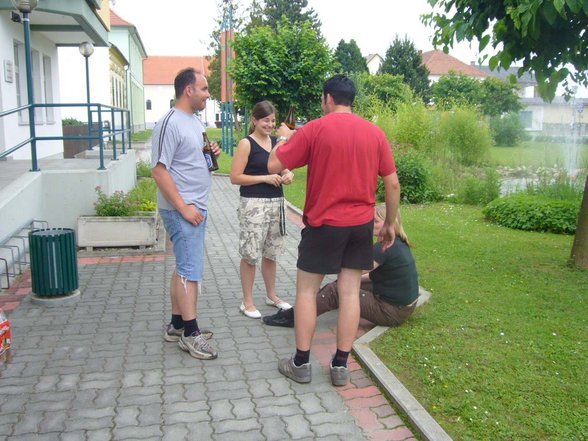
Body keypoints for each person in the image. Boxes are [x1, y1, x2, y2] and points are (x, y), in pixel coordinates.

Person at [267, 74, 401, 386]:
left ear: (328, 98)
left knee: (306, 291)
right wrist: (390, 224)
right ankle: (340, 365)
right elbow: (392, 183)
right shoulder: (375, 133)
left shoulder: (315, 128)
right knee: (350, 291)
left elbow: (274, 164)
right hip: (359, 225)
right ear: (351, 99)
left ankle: (301, 363)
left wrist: (286, 139)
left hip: (323, 224)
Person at [151, 67, 220, 360]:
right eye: (204, 89)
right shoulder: (169, 122)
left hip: (194, 206)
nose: (208, 94)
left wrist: (211, 154)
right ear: (188, 90)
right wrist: (183, 208)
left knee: (184, 266)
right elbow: (158, 169)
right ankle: (191, 334)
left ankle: (177, 325)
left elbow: (195, 159)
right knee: (190, 271)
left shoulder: (193, 121)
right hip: (183, 209)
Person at [263, 206, 419, 328]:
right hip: (404, 307)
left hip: (392, 312)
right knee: (342, 285)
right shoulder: (396, 242)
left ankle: (293, 318)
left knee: (337, 291)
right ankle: (304, 309)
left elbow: (352, 268)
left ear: (389, 224)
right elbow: (373, 274)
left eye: (375, 222)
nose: (370, 224)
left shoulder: (384, 248)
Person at [230, 101, 294, 319]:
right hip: (253, 205)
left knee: (272, 252)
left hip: (277, 204)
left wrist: (288, 174)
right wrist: (265, 178)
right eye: (266, 120)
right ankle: (247, 301)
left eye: (273, 120)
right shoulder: (246, 144)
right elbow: (235, 177)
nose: (270, 124)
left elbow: (285, 167)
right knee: (250, 254)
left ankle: (272, 295)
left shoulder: (277, 142)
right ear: (255, 120)